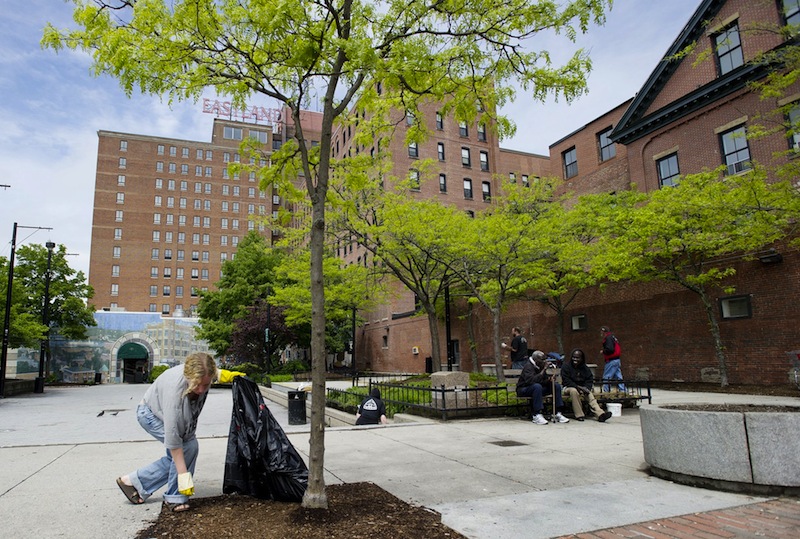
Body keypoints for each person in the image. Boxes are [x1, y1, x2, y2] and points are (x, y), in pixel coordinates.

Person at [115, 352, 218, 513]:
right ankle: (174, 498)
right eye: (197, 384)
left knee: (190, 447)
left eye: (206, 384)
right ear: (187, 376)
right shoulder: (175, 392)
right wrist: (184, 476)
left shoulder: (204, 375)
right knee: (186, 449)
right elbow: (173, 440)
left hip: (173, 418)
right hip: (151, 415)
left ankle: (133, 482)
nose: (201, 389)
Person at [515, 350, 569, 425]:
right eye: (542, 359)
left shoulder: (540, 365)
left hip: (537, 389)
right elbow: (531, 381)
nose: (544, 361)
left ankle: (557, 413)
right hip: (524, 389)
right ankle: (536, 414)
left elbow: (542, 380)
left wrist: (549, 380)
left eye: (545, 359)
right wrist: (544, 370)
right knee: (537, 386)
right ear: (535, 360)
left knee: (555, 386)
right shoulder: (528, 366)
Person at [561, 348, 612, 422]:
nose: (575, 359)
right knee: (574, 391)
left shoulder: (585, 368)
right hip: (568, 388)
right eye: (574, 357)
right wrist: (579, 387)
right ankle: (579, 415)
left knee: (589, 394)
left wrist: (587, 388)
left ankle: (600, 414)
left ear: (582, 358)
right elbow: (566, 381)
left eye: (577, 358)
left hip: (582, 388)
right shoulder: (566, 367)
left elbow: (589, 379)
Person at [600, 326, 626, 392]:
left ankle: (606, 392)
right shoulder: (613, 337)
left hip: (611, 360)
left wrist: (603, 351)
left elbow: (610, 349)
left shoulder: (608, 338)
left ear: (604, 332)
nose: (601, 334)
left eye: (601, 332)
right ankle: (623, 391)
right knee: (618, 377)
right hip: (617, 360)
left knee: (607, 377)